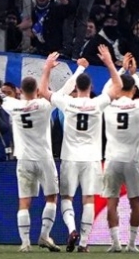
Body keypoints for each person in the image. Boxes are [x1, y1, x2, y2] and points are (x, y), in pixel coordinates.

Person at [39, 53, 108, 253]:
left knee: (67, 198)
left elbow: (43, 91)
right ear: (91, 87)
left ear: (75, 88)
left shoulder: (67, 102)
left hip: (70, 157)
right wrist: (111, 64)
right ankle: (84, 243)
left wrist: (47, 68)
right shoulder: (98, 103)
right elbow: (117, 88)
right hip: (92, 158)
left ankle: (72, 229)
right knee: (88, 200)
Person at [1, 59, 61, 252]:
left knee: (24, 201)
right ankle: (44, 236)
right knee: (51, 198)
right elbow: (53, 93)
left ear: (20, 90)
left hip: (24, 159)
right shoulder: (44, 105)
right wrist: (47, 69)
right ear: (36, 90)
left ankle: (25, 243)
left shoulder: (13, 106)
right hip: (44, 157)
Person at [102, 51, 139, 253]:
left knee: (112, 201)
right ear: (133, 90)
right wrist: (134, 74)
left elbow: (108, 87)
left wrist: (122, 70)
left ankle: (115, 242)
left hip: (113, 159)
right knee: (135, 202)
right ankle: (132, 244)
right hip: (133, 161)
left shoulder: (108, 104)